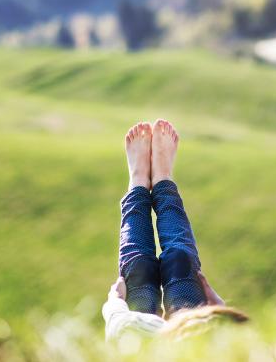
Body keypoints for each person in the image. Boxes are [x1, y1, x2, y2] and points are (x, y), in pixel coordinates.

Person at [102, 120, 247, 341]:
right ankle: (162, 180)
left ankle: (140, 180)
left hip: (150, 343)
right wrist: (220, 315)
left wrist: (114, 306)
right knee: (180, 260)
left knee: (139, 269)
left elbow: (121, 327)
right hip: (192, 340)